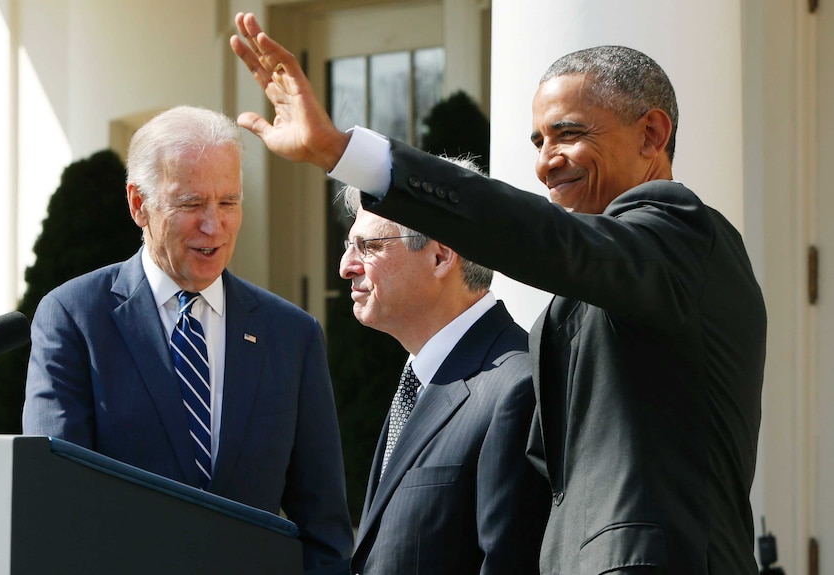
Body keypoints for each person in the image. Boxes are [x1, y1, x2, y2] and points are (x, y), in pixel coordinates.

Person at [230, 12, 767, 575]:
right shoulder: (591, 288)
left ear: (652, 134)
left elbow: (542, 237)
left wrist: (350, 155)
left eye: (569, 133)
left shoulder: (681, 233)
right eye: (538, 140)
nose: (543, 162)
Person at [22, 105, 353, 575]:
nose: (213, 225)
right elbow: (56, 504)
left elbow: (325, 529)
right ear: (139, 204)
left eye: (229, 202)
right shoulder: (74, 318)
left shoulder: (291, 335)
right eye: (191, 204)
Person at [337, 160, 549, 575]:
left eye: (369, 247)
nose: (346, 266)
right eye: (349, 245)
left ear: (441, 256)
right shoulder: (420, 378)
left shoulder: (515, 388)